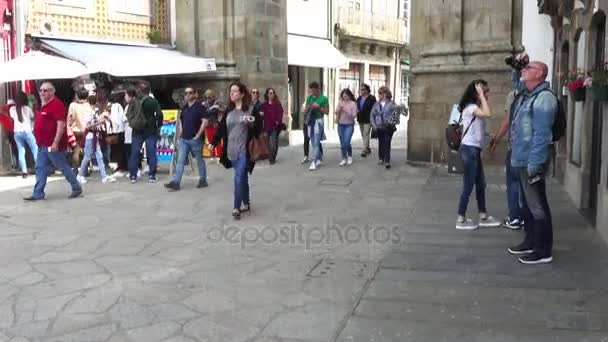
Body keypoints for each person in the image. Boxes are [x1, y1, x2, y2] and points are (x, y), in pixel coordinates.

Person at [506, 54, 557, 265]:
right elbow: (517, 81)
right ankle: (530, 240)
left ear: (539, 73)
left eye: (530, 67)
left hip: (531, 161)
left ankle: (543, 250)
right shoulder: (527, 94)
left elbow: (542, 136)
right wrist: (516, 65)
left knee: (537, 206)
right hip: (520, 159)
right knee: (526, 204)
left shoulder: (544, 98)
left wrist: (535, 164)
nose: (525, 69)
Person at [209, 82, 262, 220]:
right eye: (230, 91)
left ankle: (236, 207)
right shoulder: (228, 110)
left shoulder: (251, 110)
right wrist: (213, 143)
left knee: (238, 178)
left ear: (242, 93)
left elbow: (258, 129)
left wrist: (250, 123)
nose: (232, 94)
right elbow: (221, 129)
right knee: (242, 179)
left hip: (245, 150)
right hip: (230, 151)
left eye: (235, 91)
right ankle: (246, 202)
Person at [453, 80, 501, 230]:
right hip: (470, 150)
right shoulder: (472, 107)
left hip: (474, 150)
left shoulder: (474, 108)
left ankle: (483, 215)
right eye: (485, 91)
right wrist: (481, 95)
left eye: (486, 91)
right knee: (469, 184)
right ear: (476, 93)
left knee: (480, 184)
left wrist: (488, 135)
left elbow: (475, 128)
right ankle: (460, 218)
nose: (487, 94)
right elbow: (488, 113)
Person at [24, 82, 82, 201]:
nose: (42, 93)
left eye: (45, 90)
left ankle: (76, 188)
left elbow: (61, 125)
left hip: (52, 144)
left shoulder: (57, 105)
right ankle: (38, 193)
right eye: (41, 90)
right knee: (40, 168)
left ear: (52, 92)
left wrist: (55, 142)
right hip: (43, 144)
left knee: (63, 167)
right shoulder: (45, 105)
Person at [164, 86, 209, 191]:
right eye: (186, 93)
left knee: (199, 160)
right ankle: (176, 182)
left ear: (195, 94)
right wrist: (179, 135)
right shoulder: (185, 108)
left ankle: (203, 180)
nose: (188, 95)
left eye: (190, 92)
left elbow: (205, 122)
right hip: (184, 139)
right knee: (180, 160)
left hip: (195, 139)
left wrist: (198, 135)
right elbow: (181, 123)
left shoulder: (200, 107)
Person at [489, 90, 522, 230]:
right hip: (531, 149)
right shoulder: (544, 94)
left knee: (514, 182)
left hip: (516, 147)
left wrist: (495, 141)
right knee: (528, 186)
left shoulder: (514, 95)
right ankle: (526, 218)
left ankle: (515, 217)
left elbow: (507, 121)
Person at [127, 82, 163, 183]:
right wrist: (158, 125)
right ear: (149, 90)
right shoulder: (153, 102)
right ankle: (152, 175)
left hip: (137, 130)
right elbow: (159, 115)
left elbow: (129, 113)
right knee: (151, 152)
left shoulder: (134, 101)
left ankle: (133, 176)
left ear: (140, 90)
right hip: (150, 130)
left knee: (134, 153)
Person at [76, 103, 117, 184]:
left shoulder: (94, 113)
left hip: (95, 136)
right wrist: (99, 123)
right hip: (90, 137)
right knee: (87, 157)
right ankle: (80, 175)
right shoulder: (89, 113)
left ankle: (104, 176)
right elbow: (88, 126)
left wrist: (100, 121)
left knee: (99, 156)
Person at [10, 91, 37, 178]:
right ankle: (39, 168)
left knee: (21, 152)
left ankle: (24, 172)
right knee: (35, 150)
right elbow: (33, 117)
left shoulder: (12, 109)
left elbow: (12, 118)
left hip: (17, 133)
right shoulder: (28, 109)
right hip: (27, 131)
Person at [370, 86, 398, 169]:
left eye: (380, 93)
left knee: (387, 142)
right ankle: (381, 157)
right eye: (379, 93)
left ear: (385, 94)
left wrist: (397, 109)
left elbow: (396, 113)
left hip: (388, 127)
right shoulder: (376, 104)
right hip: (379, 126)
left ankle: (387, 161)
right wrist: (374, 125)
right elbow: (372, 115)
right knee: (381, 143)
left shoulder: (392, 103)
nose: (379, 95)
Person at [303, 82, 329, 171]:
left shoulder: (324, 99)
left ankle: (313, 161)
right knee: (313, 141)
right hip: (310, 122)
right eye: (311, 89)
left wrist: (318, 107)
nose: (312, 91)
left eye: (313, 89)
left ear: (318, 89)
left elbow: (326, 112)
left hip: (318, 121)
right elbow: (305, 110)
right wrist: (307, 108)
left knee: (316, 141)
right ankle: (319, 158)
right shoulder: (309, 98)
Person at [67, 89, 92, 170]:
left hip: (76, 130)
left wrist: (68, 127)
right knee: (86, 151)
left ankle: (75, 169)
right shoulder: (88, 105)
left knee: (76, 151)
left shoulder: (72, 105)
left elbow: (69, 119)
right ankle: (85, 169)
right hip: (86, 130)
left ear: (77, 95)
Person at [107, 91, 128, 177]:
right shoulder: (122, 105)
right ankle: (123, 166)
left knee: (119, 150)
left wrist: (109, 118)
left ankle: (122, 167)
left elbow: (116, 119)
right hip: (123, 130)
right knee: (122, 149)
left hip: (118, 130)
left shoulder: (115, 106)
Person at [335, 88, 358, 166]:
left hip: (349, 125)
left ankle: (350, 156)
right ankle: (344, 158)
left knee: (347, 142)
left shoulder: (353, 104)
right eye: (343, 96)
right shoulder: (340, 103)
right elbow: (336, 112)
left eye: (346, 96)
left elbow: (354, 116)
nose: (345, 97)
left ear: (349, 96)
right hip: (340, 124)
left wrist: (346, 111)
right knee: (342, 143)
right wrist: (339, 110)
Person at [261, 88, 284, 164]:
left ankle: (272, 157)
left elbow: (280, 113)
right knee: (267, 144)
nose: (271, 95)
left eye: (272, 93)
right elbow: (262, 114)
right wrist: (261, 114)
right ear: (267, 95)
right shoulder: (264, 105)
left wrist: (278, 121)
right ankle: (270, 157)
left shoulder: (277, 104)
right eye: (270, 93)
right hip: (267, 126)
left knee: (274, 143)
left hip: (274, 126)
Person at [124, 88, 142, 178]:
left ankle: (136, 169)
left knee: (134, 152)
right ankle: (132, 170)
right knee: (130, 152)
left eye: (126, 95)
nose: (125, 97)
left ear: (130, 96)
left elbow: (126, 118)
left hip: (133, 131)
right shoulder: (128, 106)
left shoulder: (134, 105)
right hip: (128, 133)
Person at [356, 84, 377, 157]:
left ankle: (364, 150)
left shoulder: (372, 98)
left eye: (363, 89)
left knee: (366, 134)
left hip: (368, 119)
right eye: (361, 89)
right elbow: (356, 106)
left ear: (367, 90)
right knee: (363, 134)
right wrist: (356, 110)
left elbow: (375, 108)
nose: (361, 91)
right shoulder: (359, 98)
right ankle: (367, 148)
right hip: (360, 119)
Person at [202, 89, 223, 161]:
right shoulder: (204, 104)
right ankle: (212, 154)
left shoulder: (217, 102)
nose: (208, 99)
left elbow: (217, 111)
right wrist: (212, 108)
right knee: (210, 141)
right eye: (206, 97)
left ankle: (219, 155)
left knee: (217, 140)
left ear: (213, 96)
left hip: (215, 124)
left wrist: (214, 109)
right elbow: (204, 113)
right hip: (208, 125)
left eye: (209, 97)